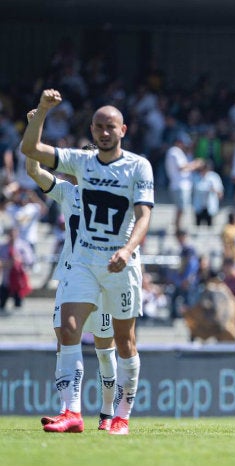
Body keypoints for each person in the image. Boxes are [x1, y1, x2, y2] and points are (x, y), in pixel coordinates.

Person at [22, 89, 154, 435]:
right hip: (81, 264)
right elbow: (31, 154)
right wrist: (42, 113)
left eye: (110, 127)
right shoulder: (75, 175)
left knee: (121, 342)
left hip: (119, 266)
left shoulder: (138, 166)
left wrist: (126, 250)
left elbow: (144, 216)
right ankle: (72, 413)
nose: (104, 132)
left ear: (123, 130)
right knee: (67, 330)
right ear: (92, 130)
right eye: (98, 127)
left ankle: (118, 414)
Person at [23, 119, 118, 430]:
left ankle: (107, 413)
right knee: (64, 339)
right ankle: (69, 411)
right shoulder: (68, 192)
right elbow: (34, 172)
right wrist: (33, 127)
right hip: (71, 275)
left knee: (105, 350)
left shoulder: (112, 194)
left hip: (102, 279)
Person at [165, 132, 202, 232]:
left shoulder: (178, 152)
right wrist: (196, 164)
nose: (185, 145)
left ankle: (177, 227)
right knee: (181, 209)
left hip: (181, 185)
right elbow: (182, 167)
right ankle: (177, 228)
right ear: (178, 142)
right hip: (179, 185)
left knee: (181, 209)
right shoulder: (174, 151)